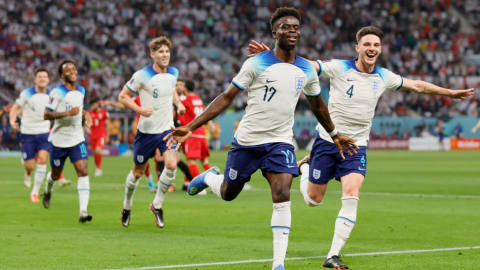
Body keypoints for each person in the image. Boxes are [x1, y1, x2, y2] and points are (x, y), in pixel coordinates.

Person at [248, 26, 474, 269]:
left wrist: (449, 93)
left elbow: (418, 86)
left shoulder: (383, 76)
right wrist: (273, 57)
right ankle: (304, 168)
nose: (372, 48)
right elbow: (306, 65)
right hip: (328, 142)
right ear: (358, 48)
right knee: (314, 200)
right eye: (367, 44)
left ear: (380, 50)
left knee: (352, 196)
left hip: (357, 146)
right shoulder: (339, 67)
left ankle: (332, 255)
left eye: (376, 45)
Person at [164, 8, 357, 270]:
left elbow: (318, 105)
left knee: (282, 193)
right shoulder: (255, 63)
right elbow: (226, 97)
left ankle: (278, 264)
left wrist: (335, 135)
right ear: (275, 32)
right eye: (286, 27)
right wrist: (190, 126)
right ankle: (209, 177)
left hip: (280, 143)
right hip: (247, 142)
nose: (292, 31)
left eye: (296, 28)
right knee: (228, 193)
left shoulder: (306, 69)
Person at [118, 36, 185, 228]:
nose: (165, 55)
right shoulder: (141, 75)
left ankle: (157, 205)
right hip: (146, 133)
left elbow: (172, 90)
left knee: (171, 164)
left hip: (166, 130)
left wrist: (178, 103)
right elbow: (123, 96)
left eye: (167, 52)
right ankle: (127, 205)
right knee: (138, 173)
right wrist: (139, 110)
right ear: (152, 54)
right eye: (161, 52)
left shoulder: (174, 72)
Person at [43, 60, 94, 223]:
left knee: (83, 171)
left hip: (77, 139)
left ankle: (83, 212)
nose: (72, 71)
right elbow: (46, 114)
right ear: (62, 75)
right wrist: (68, 113)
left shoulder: (81, 90)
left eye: (74, 68)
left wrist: (86, 115)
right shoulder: (57, 92)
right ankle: (48, 189)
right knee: (56, 174)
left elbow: (78, 109)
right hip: (59, 141)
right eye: (68, 70)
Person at [9, 68, 71, 203]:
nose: (42, 78)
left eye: (45, 76)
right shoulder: (26, 93)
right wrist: (12, 120)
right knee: (30, 166)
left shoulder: (53, 95)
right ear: (35, 79)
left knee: (43, 159)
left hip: (44, 132)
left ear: (48, 80)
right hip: (27, 133)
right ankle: (27, 172)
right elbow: (14, 108)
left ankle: (35, 193)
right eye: (39, 76)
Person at [176, 80, 212, 192]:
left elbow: (176, 100)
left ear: (185, 89)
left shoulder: (185, 100)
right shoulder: (198, 99)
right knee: (204, 161)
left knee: (191, 161)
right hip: (202, 133)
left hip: (192, 135)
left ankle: (201, 188)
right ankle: (216, 183)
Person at [87, 98, 110, 177]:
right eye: (91, 105)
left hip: (101, 135)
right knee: (95, 153)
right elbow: (86, 124)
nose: (92, 106)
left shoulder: (104, 113)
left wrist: (107, 136)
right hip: (92, 135)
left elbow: (107, 125)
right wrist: (87, 129)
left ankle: (99, 169)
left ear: (97, 104)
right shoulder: (89, 113)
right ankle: (98, 169)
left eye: (94, 104)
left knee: (97, 151)